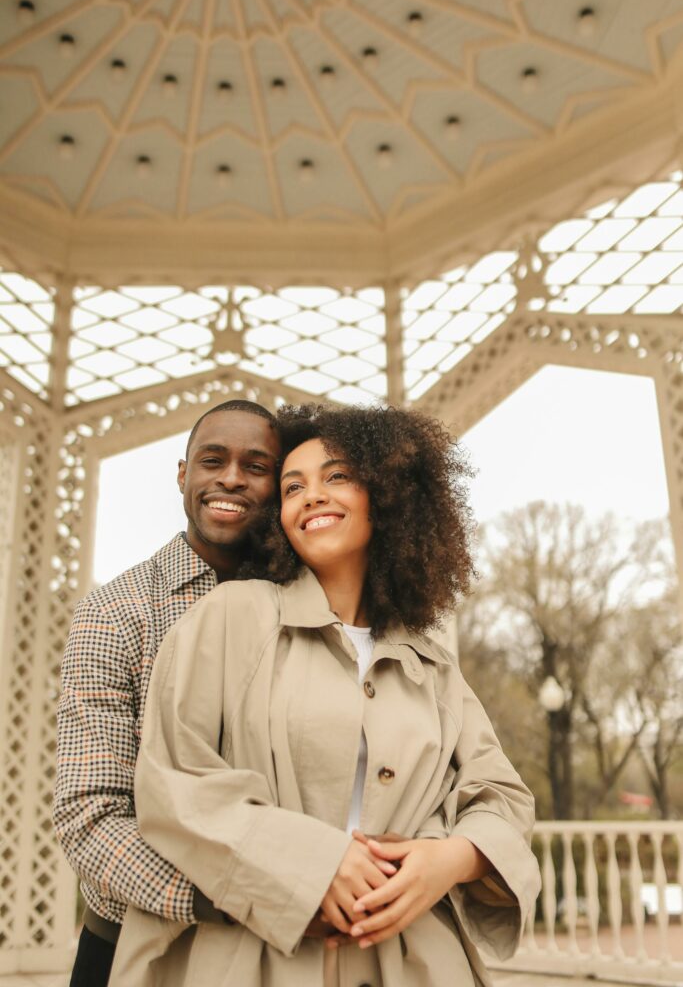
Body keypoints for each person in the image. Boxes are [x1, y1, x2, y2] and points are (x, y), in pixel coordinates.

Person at [109, 403, 541, 987]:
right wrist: (313, 865)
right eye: (292, 487)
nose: (312, 495)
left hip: (414, 962)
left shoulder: (430, 661)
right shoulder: (231, 616)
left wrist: (448, 860)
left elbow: (500, 796)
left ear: (386, 496)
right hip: (250, 958)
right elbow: (175, 780)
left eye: (336, 476)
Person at [53, 399, 282, 987]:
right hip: (137, 941)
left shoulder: (310, 606)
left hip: (291, 950)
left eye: (256, 466)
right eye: (213, 460)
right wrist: (243, 898)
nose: (231, 477)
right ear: (184, 475)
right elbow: (89, 815)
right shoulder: (114, 612)